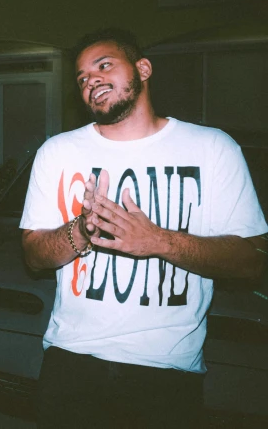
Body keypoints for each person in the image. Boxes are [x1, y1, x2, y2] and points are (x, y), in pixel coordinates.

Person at [20, 28, 267, 428]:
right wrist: (82, 231)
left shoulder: (212, 148)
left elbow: (252, 260)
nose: (91, 81)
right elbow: (33, 256)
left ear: (143, 68)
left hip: (167, 371)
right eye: (82, 78)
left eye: (104, 66)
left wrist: (158, 241)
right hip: (72, 362)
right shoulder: (58, 152)